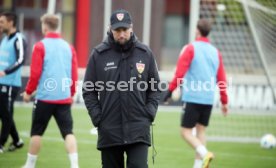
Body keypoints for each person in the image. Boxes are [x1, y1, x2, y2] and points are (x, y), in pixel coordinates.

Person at [82, 9, 160, 168]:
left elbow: (155, 87)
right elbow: (88, 90)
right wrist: (98, 118)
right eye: (117, 30)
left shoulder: (145, 53)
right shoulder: (99, 54)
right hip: (109, 130)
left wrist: (149, 113)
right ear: (111, 29)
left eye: (124, 30)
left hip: (138, 128)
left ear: (131, 28)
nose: (121, 34)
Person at [163, 19, 228, 168]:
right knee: (201, 132)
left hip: (193, 98)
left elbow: (180, 73)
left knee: (185, 132)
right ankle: (199, 166)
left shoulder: (191, 48)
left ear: (197, 31)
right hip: (208, 99)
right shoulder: (215, 52)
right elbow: (222, 79)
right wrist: (224, 102)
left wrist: (169, 91)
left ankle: (205, 154)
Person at [22, 14, 79, 168]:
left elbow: (35, 74)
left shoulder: (40, 46)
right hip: (63, 98)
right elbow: (73, 74)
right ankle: (75, 166)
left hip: (44, 98)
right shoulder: (69, 47)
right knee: (68, 132)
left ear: (45, 26)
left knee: (36, 132)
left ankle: (29, 165)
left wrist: (28, 92)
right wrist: (72, 93)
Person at [0, 11, 26, 153]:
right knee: (5, 113)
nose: (0, 24)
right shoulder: (4, 39)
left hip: (10, 84)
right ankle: (17, 141)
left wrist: (6, 72)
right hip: (1, 82)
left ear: (10, 22)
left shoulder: (19, 39)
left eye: (2, 21)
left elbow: (21, 59)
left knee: (6, 114)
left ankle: (1, 143)